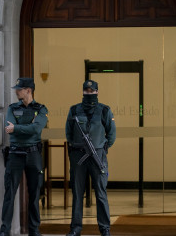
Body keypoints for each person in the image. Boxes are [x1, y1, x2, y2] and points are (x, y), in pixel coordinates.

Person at [0, 77, 48, 236]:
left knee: (34, 194)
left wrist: (17, 128)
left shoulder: (41, 109)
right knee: (9, 194)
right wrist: (27, 127)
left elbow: (36, 129)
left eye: (19, 89)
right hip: (15, 154)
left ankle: (34, 230)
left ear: (28, 90)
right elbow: (8, 127)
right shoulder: (12, 108)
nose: (17, 91)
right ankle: (5, 230)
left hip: (33, 155)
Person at [65, 80, 116, 236]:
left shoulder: (104, 110)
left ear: (97, 92)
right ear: (83, 92)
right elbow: (68, 132)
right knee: (77, 192)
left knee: (100, 193)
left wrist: (103, 148)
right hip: (79, 156)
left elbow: (112, 134)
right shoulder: (74, 110)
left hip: (97, 156)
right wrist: (74, 149)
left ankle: (105, 228)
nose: (89, 94)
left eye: (92, 91)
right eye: (86, 91)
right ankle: (76, 228)